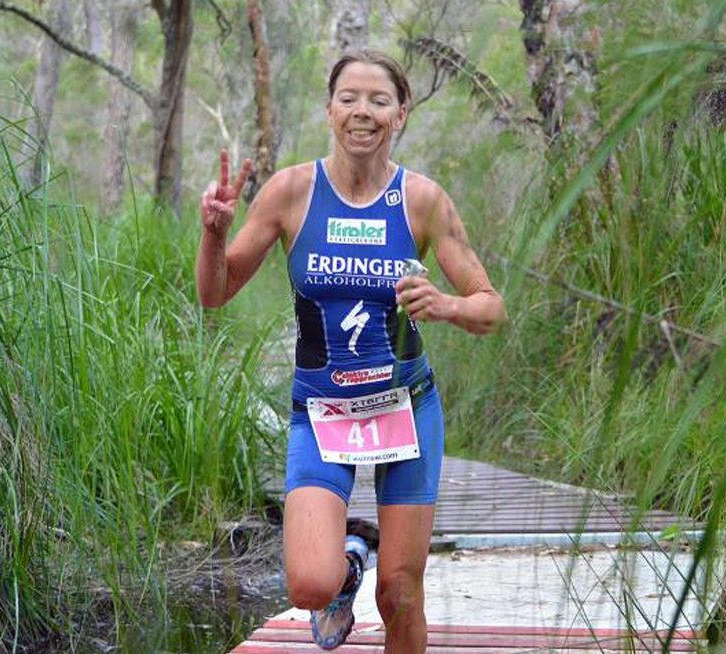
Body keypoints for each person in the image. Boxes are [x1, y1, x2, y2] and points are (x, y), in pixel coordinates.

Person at [196, 49, 505, 652]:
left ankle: (374, 570)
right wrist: (213, 234)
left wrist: (446, 304)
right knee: (311, 585)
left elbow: (490, 307)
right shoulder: (291, 192)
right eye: (349, 98)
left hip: (405, 409)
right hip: (322, 410)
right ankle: (348, 564)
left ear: (401, 114)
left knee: (402, 592)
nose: (362, 111)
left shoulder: (422, 201)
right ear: (329, 109)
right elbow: (215, 293)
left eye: (379, 100)